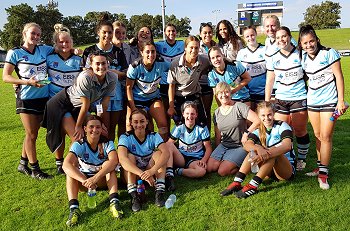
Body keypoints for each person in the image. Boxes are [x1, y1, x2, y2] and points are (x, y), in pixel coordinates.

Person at [2, 23, 53, 179]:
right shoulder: (15, 53)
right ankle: (35, 170)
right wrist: (26, 82)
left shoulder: (44, 49)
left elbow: (61, 47)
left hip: (44, 97)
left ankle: (22, 164)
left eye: (38, 34)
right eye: (33, 33)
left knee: (33, 133)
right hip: (26, 98)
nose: (36, 37)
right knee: (31, 134)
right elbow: (6, 77)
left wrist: (74, 50)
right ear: (24, 34)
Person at [298, 25, 346, 190]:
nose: (309, 45)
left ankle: (323, 174)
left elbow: (339, 76)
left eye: (311, 41)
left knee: (326, 136)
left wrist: (341, 101)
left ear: (317, 40)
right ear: (302, 45)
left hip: (329, 100)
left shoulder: (328, 53)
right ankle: (320, 167)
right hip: (312, 102)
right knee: (318, 135)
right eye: (305, 43)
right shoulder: (303, 58)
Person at [42, 52, 117, 154]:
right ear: (91, 65)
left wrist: (100, 123)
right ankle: (63, 163)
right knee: (76, 136)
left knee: (89, 134)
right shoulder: (85, 77)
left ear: (108, 63)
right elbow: (85, 104)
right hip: (62, 104)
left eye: (103, 63)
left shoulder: (113, 77)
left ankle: (82, 163)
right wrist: (78, 126)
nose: (101, 66)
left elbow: (104, 104)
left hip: (78, 107)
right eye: (97, 63)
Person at [220, 101, 295, 198]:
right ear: (259, 116)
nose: (266, 118)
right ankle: (237, 182)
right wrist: (258, 148)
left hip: (285, 171)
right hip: (268, 170)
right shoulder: (258, 130)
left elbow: (287, 146)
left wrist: (263, 154)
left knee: (274, 153)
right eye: (263, 115)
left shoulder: (282, 125)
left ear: (274, 114)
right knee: (253, 150)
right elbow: (246, 145)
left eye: (269, 115)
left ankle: (253, 185)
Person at [63, 115, 123, 227]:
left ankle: (114, 203)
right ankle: (74, 209)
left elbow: (114, 161)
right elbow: (65, 164)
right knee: (70, 172)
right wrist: (85, 180)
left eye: (98, 127)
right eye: (91, 127)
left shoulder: (108, 143)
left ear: (101, 129)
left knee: (109, 166)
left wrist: (95, 178)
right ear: (85, 128)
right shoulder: (79, 144)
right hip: (85, 183)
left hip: (101, 180)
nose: (94, 130)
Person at [265, 26, 310, 172]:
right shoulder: (273, 57)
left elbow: (309, 73)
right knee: (282, 131)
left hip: (299, 97)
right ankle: (287, 156)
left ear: (290, 37)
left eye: (284, 36)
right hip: (281, 99)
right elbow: (270, 80)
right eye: (278, 38)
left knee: (299, 130)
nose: (281, 40)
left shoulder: (300, 54)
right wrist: (267, 101)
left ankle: (302, 159)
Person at [82, 17, 128, 142]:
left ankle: (111, 155)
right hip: (97, 96)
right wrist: (101, 73)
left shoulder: (118, 51)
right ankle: (99, 156)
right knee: (102, 127)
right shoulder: (90, 51)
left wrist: (112, 73)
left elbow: (125, 73)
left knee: (112, 128)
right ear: (98, 32)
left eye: (110, 32)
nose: (107, 35)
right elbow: (84, 72)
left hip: (116, 95)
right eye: (104, 32)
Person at [118, 109, 169, 212]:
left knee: (159, 154)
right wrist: (142, 174)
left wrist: (152, 171)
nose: (139, 124)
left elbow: (166, 153)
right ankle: (134, 196)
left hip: (150, 173)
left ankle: (159, 192)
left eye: (142, 121)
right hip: (134, 175)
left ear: (147, 121)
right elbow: (122, 159)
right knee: (130, 156)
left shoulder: (153, 135)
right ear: (131, 123)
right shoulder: (125, 137)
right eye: (135, 122)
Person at [47, 24, 82, 174]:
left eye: (67, 42)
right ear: (55, 44)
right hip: (57, 103)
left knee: (79, 133)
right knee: (70, 134)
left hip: (75, 101)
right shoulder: (49, 57)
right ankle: (65, 163)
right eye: (61, 42)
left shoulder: (79, 59)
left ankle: (65, 162)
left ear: (72, 43)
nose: (64, 44)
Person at [207, 82, 260, 176]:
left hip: (240, 145)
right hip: (225, 144)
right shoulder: (216, 113)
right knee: (210, 168)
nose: (224, 95)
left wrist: (246, 133)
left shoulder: (239, 106)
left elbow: (257, 120)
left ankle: (242, 164)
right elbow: (217, 133)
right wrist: (218, 147)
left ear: (231, 93)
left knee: (222, 171)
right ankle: (229, 160)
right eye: (220, 93)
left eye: (226, 92)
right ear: (217, 95)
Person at [126, 41, 170, 141]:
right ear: (142, 52)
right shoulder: (135, 67)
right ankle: (133, 149)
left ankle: (164, 149)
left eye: (153, 51)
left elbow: (174, 67)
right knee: (130, 125)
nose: (151, 55)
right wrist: (133, 108)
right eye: (147, 52)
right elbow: (128, 87)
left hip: (153, 98)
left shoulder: (161, 63)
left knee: (163, 125)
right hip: (137, 99)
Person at [167, 35, 210, 126]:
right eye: (191, 47)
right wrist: (171, 106)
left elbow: (214, 62)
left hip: (194, 95)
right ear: (185, 48)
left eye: (196, 48)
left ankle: (205, 140)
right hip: (179, 97)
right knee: (181, 125)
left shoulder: (203, 61)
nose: (194, 51)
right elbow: (171, 86)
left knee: (201, 124)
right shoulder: (175, 64)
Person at [167, 101, 212, 179]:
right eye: (187, 113)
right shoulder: (179, 127)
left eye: (192, 114)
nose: (190, 116)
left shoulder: (202, 128)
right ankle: (169, 171)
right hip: (180, 157)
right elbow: (168, 144)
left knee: (201, 171)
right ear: (183, 114)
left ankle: (178, 171)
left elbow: (208, 148)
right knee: (168, 144)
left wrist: (204, 160)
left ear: (196, 115)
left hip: (194, 158)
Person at [155, 23, 185, 132]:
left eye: (173, 31)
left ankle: (182, 137)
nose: (171, 33)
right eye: (168, 31)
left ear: (176, 32)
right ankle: (166, 140)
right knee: (165, 114)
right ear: (164, 33)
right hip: (164, 83)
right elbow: (145, 44)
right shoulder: (159, 45)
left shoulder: (182, 44)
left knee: (180, 113)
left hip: (178, 82)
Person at [263, 15, 297, 99]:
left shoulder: (288, 41)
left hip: (287, 87)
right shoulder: (267, 41)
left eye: (273, 25)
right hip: (272, 86)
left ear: (278, 26)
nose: (270, 29)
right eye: (267, 26)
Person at [236, 26, 267, 112]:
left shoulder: (265, 50)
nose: (250, 38)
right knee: (250, 121)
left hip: (263, 92)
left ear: (256, 34)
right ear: (244, 38)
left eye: (252, 35)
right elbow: (238, 73)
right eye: (247, 36)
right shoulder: (241, 53)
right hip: (247, 93)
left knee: (263, 119)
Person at [198, 22, 216, 132]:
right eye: (205, 33)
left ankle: (207, 136)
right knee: (197, 112)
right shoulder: (196, 47)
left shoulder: (216, 46)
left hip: (210, 84)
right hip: (197, 84)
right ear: (200, 34)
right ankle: (197, 138)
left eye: (209, 32)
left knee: (206, 111)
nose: (207, 35)